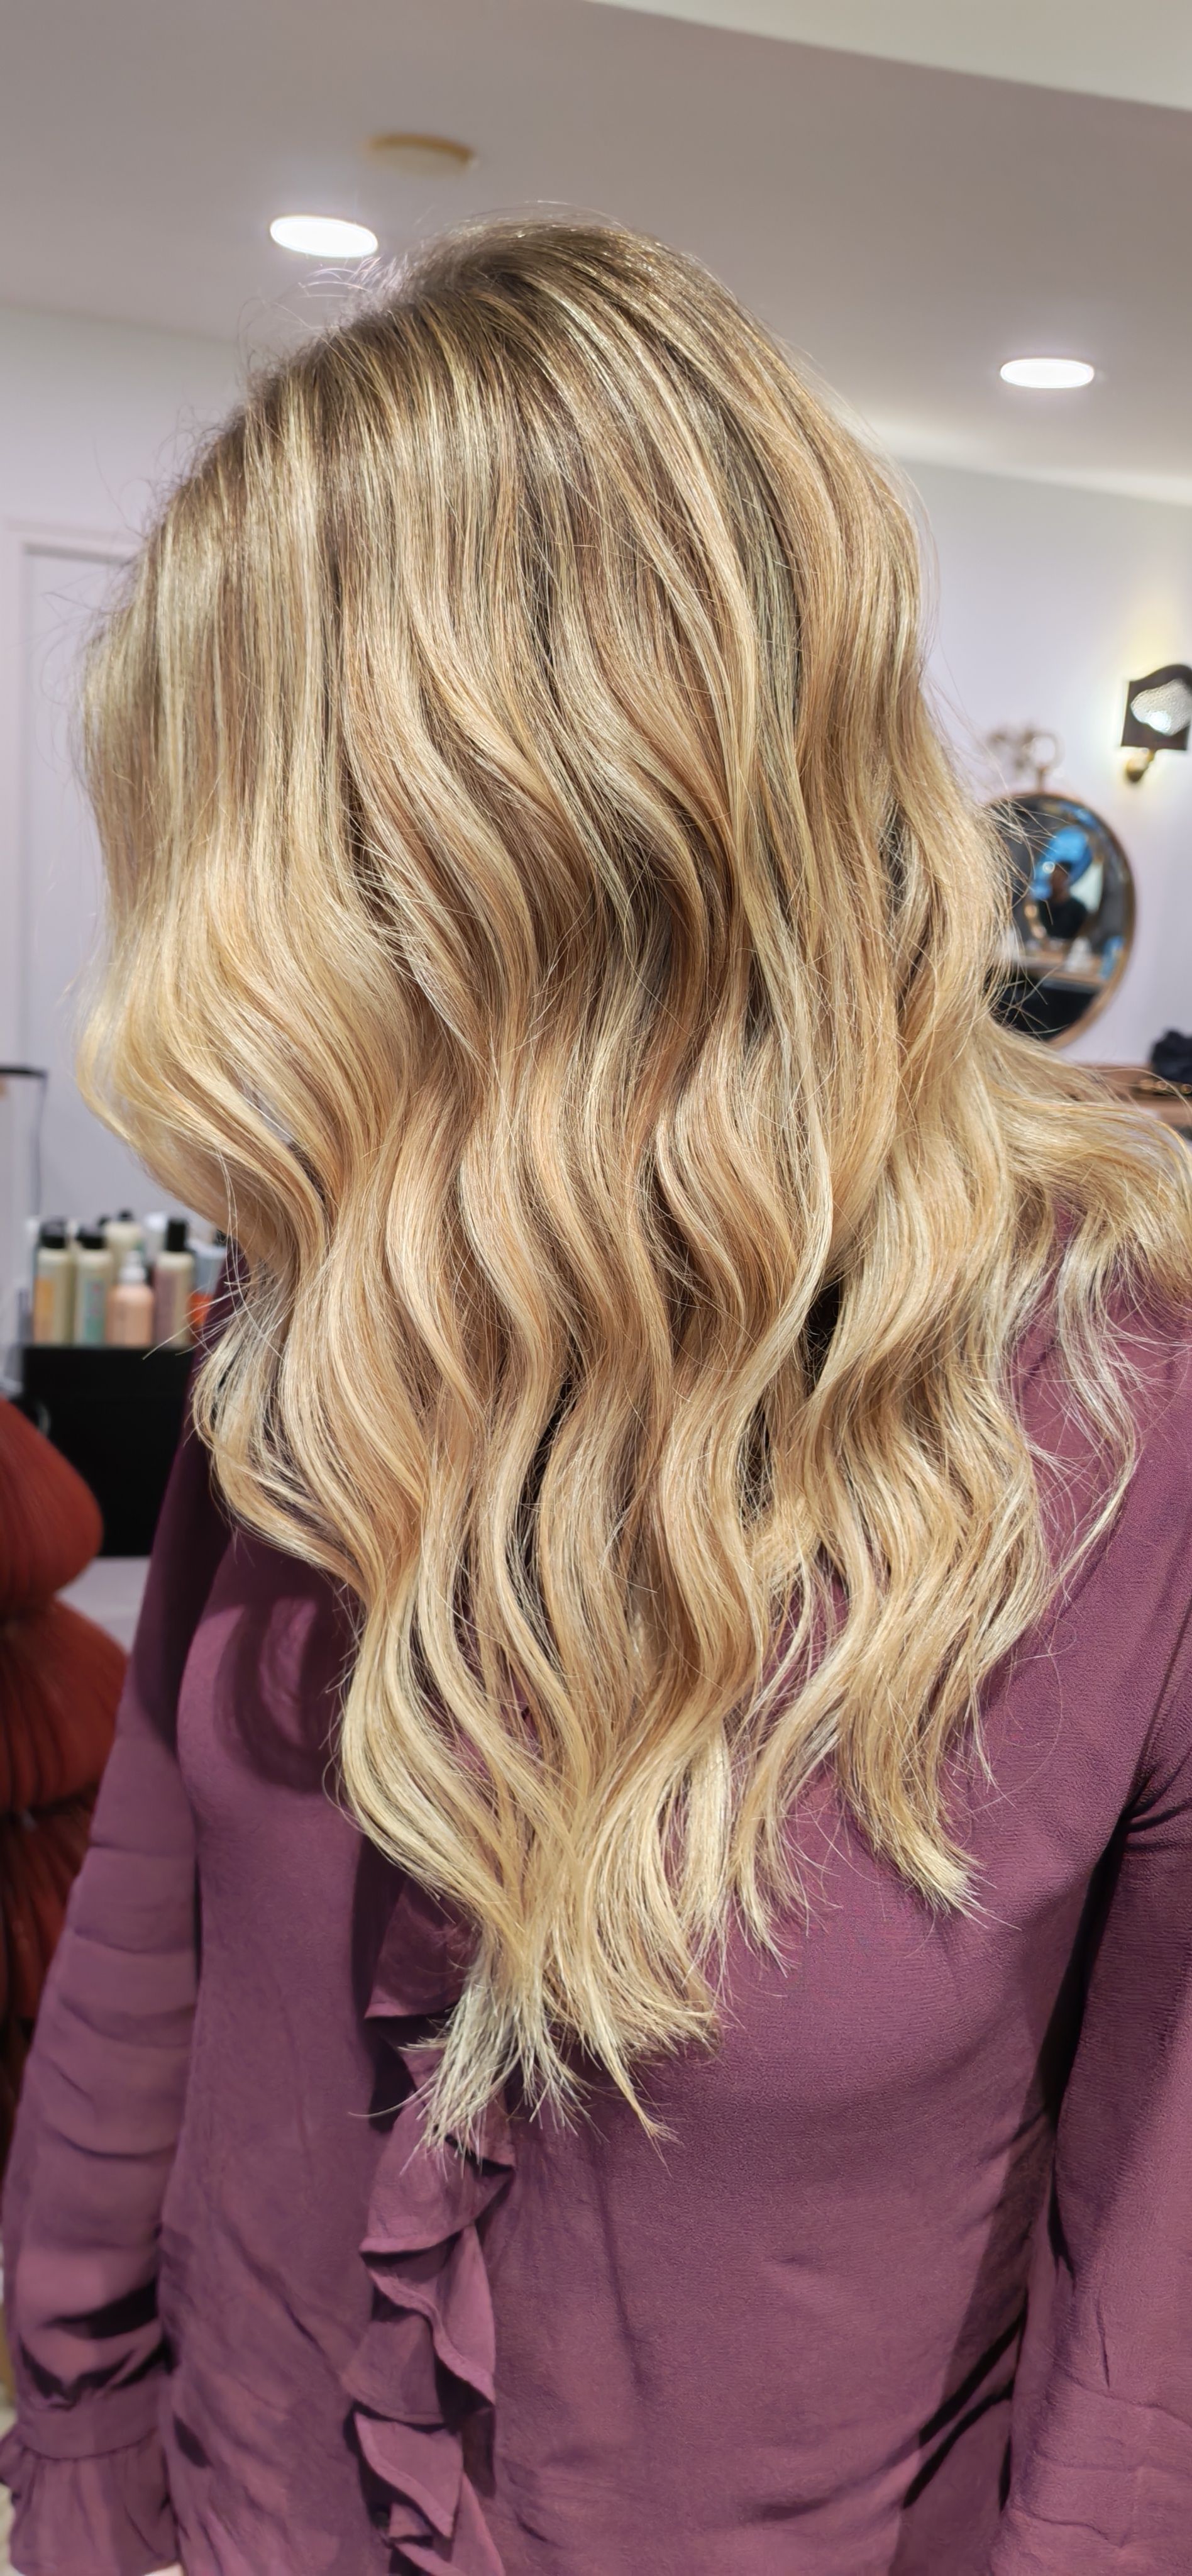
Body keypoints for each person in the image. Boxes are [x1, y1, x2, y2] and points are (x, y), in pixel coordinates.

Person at [4, 216, 1192, 2576]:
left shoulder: (1119, 1414)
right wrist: (78, 2451)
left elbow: (1154, 2285)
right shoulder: (336, 1306)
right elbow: (159, 1921)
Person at [1034, 858, 1089, 943]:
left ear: (1067, 879)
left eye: (1059, 877)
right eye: (1053, 877)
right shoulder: (1041, 905)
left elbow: (1082, 936)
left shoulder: (1079, 909)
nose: (1054, 881)